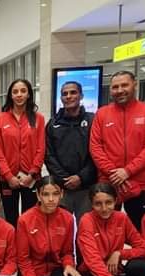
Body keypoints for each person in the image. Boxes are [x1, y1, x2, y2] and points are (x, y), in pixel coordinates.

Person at [89, 71, 145, 230]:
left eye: (124, 85)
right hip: (108, 182)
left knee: (140, 229)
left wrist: (127, 171)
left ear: (135, 85)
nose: (120, 90)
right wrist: (114, 173)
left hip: (138, 183)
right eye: (115, 87)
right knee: (106, 230)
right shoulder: (102, 113)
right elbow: (95, 147)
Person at [17, 177, 89, 276]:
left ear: (62, 194)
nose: (51, 199)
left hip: (56, 270)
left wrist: (68, 265)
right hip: (34, 274)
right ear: (38, 195)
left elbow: (67, 252)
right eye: (46, 194)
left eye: (55, 194)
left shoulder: (67, 218)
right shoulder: (25, 220)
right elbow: (23, 261)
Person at [0, 79, 46, 226]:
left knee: (31, 218)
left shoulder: (38, 119)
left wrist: (32, 174)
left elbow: (41, 148)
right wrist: (8, 176)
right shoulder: (0, 119)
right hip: (7, 179)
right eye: (15, 92)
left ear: (29, 94)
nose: (19, 95)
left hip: (31, 178)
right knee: (11, 218)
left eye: (23, 91)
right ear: (10, 95)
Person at [45, 81, 97, 223]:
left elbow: (97, 153)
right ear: (61, 98)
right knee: (60, 228)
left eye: (73, 92)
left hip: (86, 186)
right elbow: (48, 155)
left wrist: (81, 177)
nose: (68, 96)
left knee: (86, 227)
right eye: (64, 94)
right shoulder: (52, 124)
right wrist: (64, 179)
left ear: (81, 96)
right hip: (62, 187)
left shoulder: (93, 121)